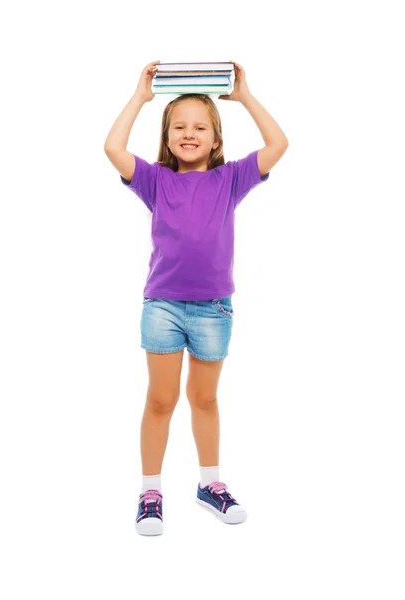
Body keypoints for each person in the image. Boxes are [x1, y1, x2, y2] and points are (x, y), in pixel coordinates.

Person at [104, 60, 288, 536]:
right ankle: (150, 492)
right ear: (167, 138)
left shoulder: (231, 180)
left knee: (204, 399)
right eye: (179, 127)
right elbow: (112, 147)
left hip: (213, 309)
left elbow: (278, 145)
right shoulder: (154, 181)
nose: (189, 134)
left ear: (215, 138)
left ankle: (210, 485)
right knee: (161, 399)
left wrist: (245, 95)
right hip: (162, 306)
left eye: (200, 127)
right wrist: (141, 98)